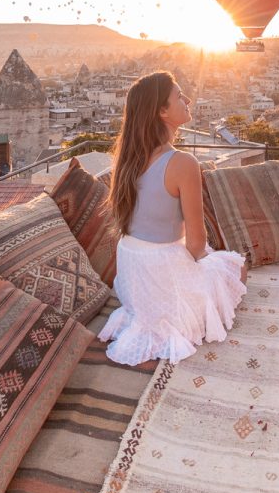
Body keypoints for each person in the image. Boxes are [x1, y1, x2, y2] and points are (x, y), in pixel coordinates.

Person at [99, 71, 247, 365]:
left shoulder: (127, 158)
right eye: (180, 96)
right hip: (161, 267)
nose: (188, 100)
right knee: (236, 269)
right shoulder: (182, 163)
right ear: (162, 111)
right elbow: (196, 243)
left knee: (219, 266)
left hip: (131, 271)